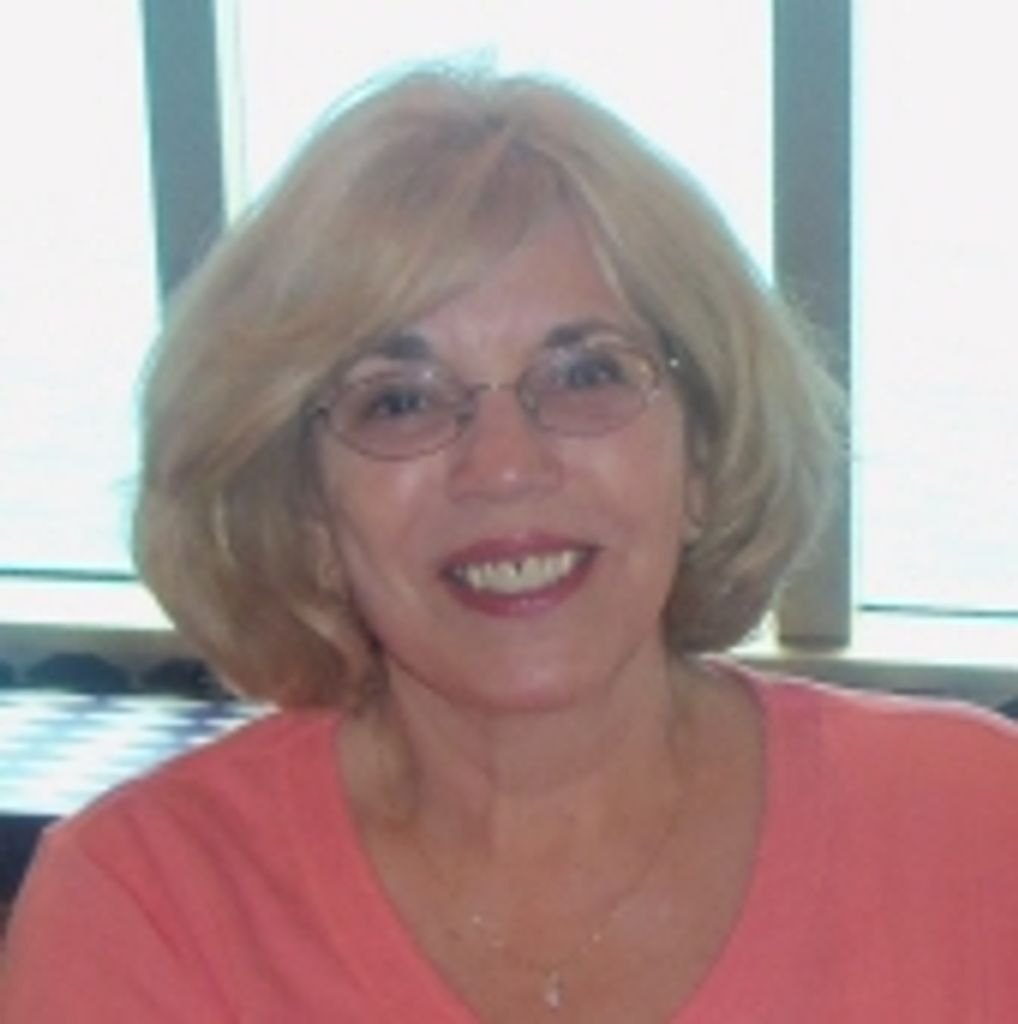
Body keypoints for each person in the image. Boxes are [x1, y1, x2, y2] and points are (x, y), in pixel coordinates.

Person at [2, 64, 1016, 1023]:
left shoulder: (977, 826)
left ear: (702, 455)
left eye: (586, 374)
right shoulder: (144, 909)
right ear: (303, 509)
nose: (502, 466)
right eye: (400, 400)